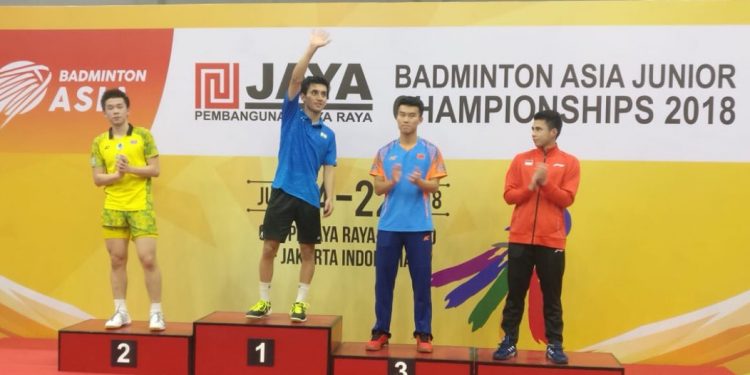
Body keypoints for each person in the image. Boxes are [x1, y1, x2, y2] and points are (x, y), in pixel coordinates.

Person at [245, 30, 336, 323]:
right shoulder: (290, 115)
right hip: (283, 191)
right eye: (315, 93)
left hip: (309, 197)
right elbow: (296, 78)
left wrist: (330, 195)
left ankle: (300, 303)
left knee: (307, 250)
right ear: (305, 96)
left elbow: (329, 167)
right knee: (269, 247)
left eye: (324, 94)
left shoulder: (328, 134)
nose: (319, 98)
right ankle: (264, 301)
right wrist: (311, 49)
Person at [492, 110, 580, 364]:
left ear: (553, 132)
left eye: (538, 129)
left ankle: (555, 344)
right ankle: (508, 341)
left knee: (552, 295)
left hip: (551, 240)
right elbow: (509, 196)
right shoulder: (520, 160)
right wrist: (530, 186)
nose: (533, 133)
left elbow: (567, 199)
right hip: (520, 238)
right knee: (515, 293)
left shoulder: (570, 162)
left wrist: (545, 184)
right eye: (532, 129)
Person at [365, 96, 447, 353]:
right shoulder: (384, 152)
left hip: (419, 227)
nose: (407, 119)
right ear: (396, 117)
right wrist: (392, 181)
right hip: (389, 226)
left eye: (412, 115)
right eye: (402, 114)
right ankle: (381, 331)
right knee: (383, 281)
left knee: (421, 282)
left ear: (420, 119)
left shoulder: (431, 151)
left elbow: (435, 186)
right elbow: (378, 189)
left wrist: (421, 183)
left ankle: (423, 333)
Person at [90, 88, 165, 331]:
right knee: (116, 260)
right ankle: (121, 311)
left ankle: (156, 312)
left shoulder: (143, 136)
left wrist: (130, 169)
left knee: (148, 258)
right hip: (113, 207)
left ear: (127, 109)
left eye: (119, 107)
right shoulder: (99, 142)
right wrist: (117, 174)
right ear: (104, 113)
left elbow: (155, 170)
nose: (115, 112)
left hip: (140, 206)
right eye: (110, 108)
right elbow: (98, 179)